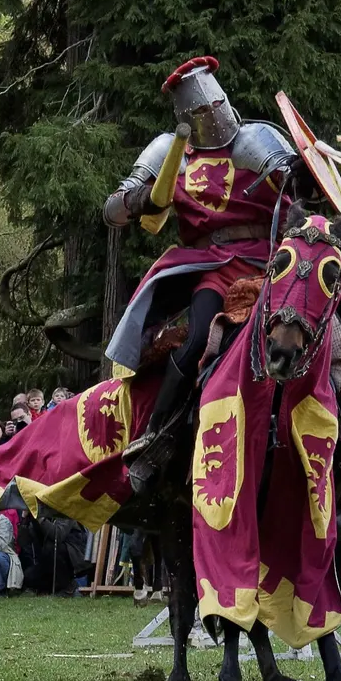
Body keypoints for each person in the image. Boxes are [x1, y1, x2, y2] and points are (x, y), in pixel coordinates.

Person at [104, 57, 306, 495]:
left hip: (274, 259)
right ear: (185, 118)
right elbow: (113, 209)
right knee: (197, 340)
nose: (213, 115)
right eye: (202, 111)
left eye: (217, 105)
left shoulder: (257, 137)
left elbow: (299, 183)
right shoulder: (168, 152)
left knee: (322, 319)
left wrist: (304, 173)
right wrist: (141, 199)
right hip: (214, 265)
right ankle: (157, 436)